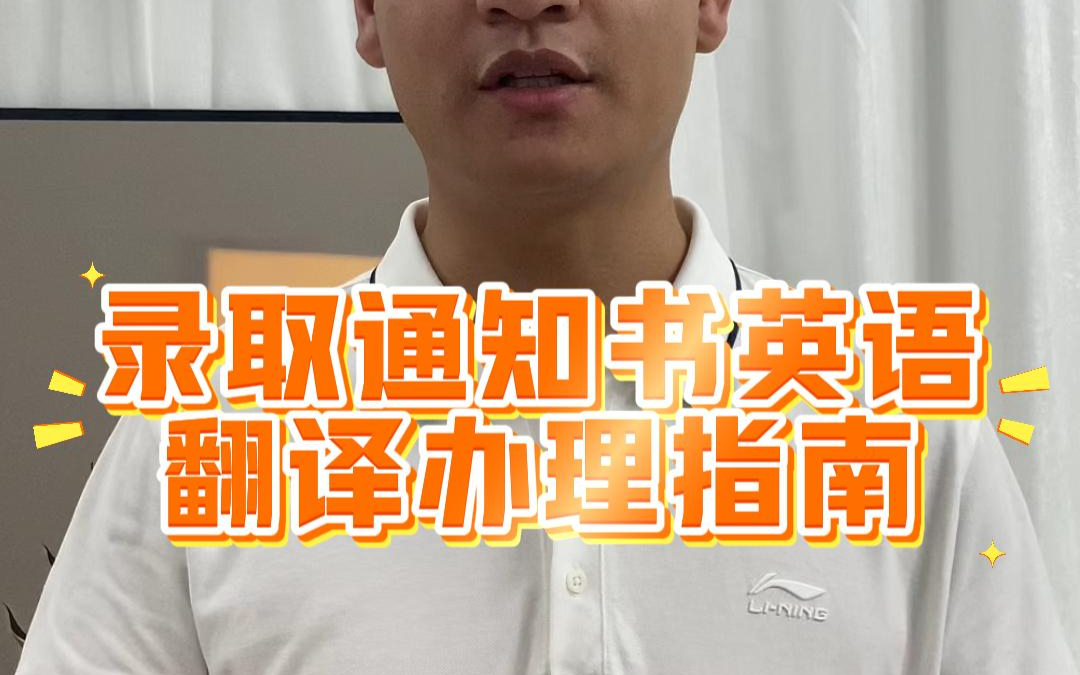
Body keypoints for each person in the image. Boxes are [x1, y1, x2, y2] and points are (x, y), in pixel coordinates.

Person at [17, 0, 1078, 673]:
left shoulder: (909, 434)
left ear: (711, 4)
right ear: (368, 12)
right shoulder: (199, 430)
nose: (527, 3)